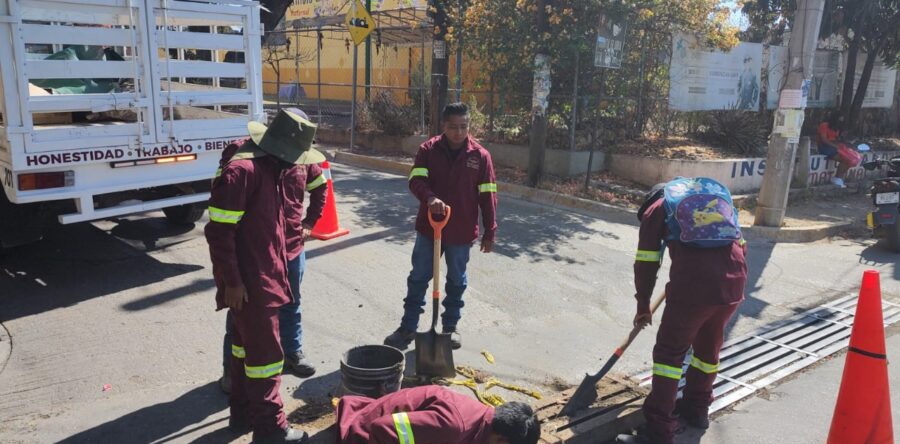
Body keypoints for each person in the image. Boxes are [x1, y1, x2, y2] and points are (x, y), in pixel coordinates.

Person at [206, 108, 326, 443]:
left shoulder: (273, 166)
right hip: (251, 281)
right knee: (267, 359)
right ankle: (272, 430)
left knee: (245, 349)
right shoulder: (242, 170)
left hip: (267, 272)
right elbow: (218, 233)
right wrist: (232, 282)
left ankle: (243, 413)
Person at [617, 178, 748, 444]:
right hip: (735, 282)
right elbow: (741, 244)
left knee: (669, 357)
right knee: (706, 352)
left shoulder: (657, 209)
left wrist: (643, 304)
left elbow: (646, 261)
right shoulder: (710, 195)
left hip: (694, 288)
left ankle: (659, 432)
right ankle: (697, 410)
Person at [383, 102, 498, 351]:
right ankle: (408, 327)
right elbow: (416, 179)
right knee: (418, 278)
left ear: (469, 126)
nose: (458, 132)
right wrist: (430, 198)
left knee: (456, 280)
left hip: (461, 231)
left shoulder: (480, 156)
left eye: (463, 127)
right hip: (429, 228)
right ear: (443, 126)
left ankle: (450, 327)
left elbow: (488, 196)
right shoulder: (428, 150)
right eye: (453, 127)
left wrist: (490, 231)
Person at [336, 385, 541, 444]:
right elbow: (383, 428)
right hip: (361, 432)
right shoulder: (452, 426)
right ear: (502, 442)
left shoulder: (481, 417)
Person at [817, 112, 853, 188]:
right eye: (839, 120)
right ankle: (837, 178)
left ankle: (839, 178)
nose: (841, 122)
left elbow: (836, 139)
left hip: (834, 147)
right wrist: (835, 146)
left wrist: (842, 144)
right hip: (824, 147)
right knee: (845, 159)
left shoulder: (836, 128)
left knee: (852, 159)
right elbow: (824, 140)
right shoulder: (824, 125)